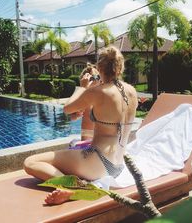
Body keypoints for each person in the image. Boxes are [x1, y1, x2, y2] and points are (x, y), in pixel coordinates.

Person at [23, 45, 138, 205]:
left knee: (30, 162)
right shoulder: (132, 91)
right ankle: (80, 183)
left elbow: (67, 108)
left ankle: (78, 188)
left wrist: (82, 87)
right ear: (121, 67)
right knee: (75, 147)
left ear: (99, 67)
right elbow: (104, 113)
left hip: (96, 164)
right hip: (118, 166)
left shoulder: (98, 92)